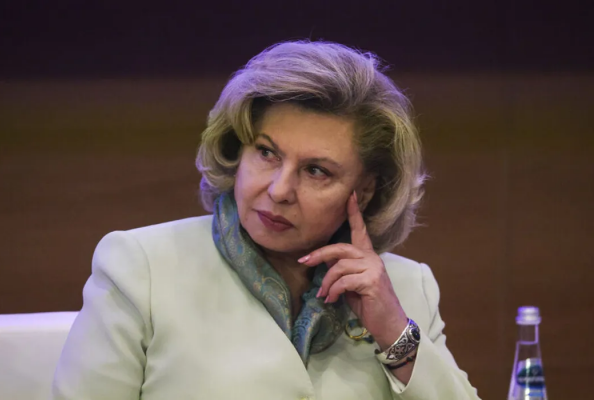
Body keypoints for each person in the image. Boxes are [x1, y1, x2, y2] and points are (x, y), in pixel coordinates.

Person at [52, 40, 480, 399]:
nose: (279, 190)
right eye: (267, 153)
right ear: (237, 149)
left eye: (316, 171)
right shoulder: (142, 268)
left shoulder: (406, 289)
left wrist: (396, 335)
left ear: (364, 190)